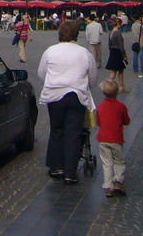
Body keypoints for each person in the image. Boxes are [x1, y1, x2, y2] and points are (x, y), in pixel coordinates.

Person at [37, 21, 98, 186]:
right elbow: (93, 78)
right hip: (76, 95)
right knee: (73, 134)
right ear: (77, 35)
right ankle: (70, 173)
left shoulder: (50, 51)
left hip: (55, 94)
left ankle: (57, 167)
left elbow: (41, 73)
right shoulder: (84, 53)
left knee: (57, 130)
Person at [96, 79, 131, 197]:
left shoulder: (100, 107)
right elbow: (126, 121)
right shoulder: (121, 106)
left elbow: (98, 122)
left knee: (107, 163)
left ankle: (108, 187)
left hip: (103, 139)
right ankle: (118, 182)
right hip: (116, 139)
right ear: (117, 93)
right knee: (119, 161)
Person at [105, 17, 127, 93]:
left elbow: (109, 44)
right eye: (120, 24)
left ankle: (110, 85)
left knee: (114, 70)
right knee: (119, 70)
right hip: (118, 52)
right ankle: (120, 87)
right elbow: (121, 46)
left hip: (112, 51)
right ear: (118, 24)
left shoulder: (110, 32)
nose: (120, 26)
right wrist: (124, 55)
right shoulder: (118, 33)